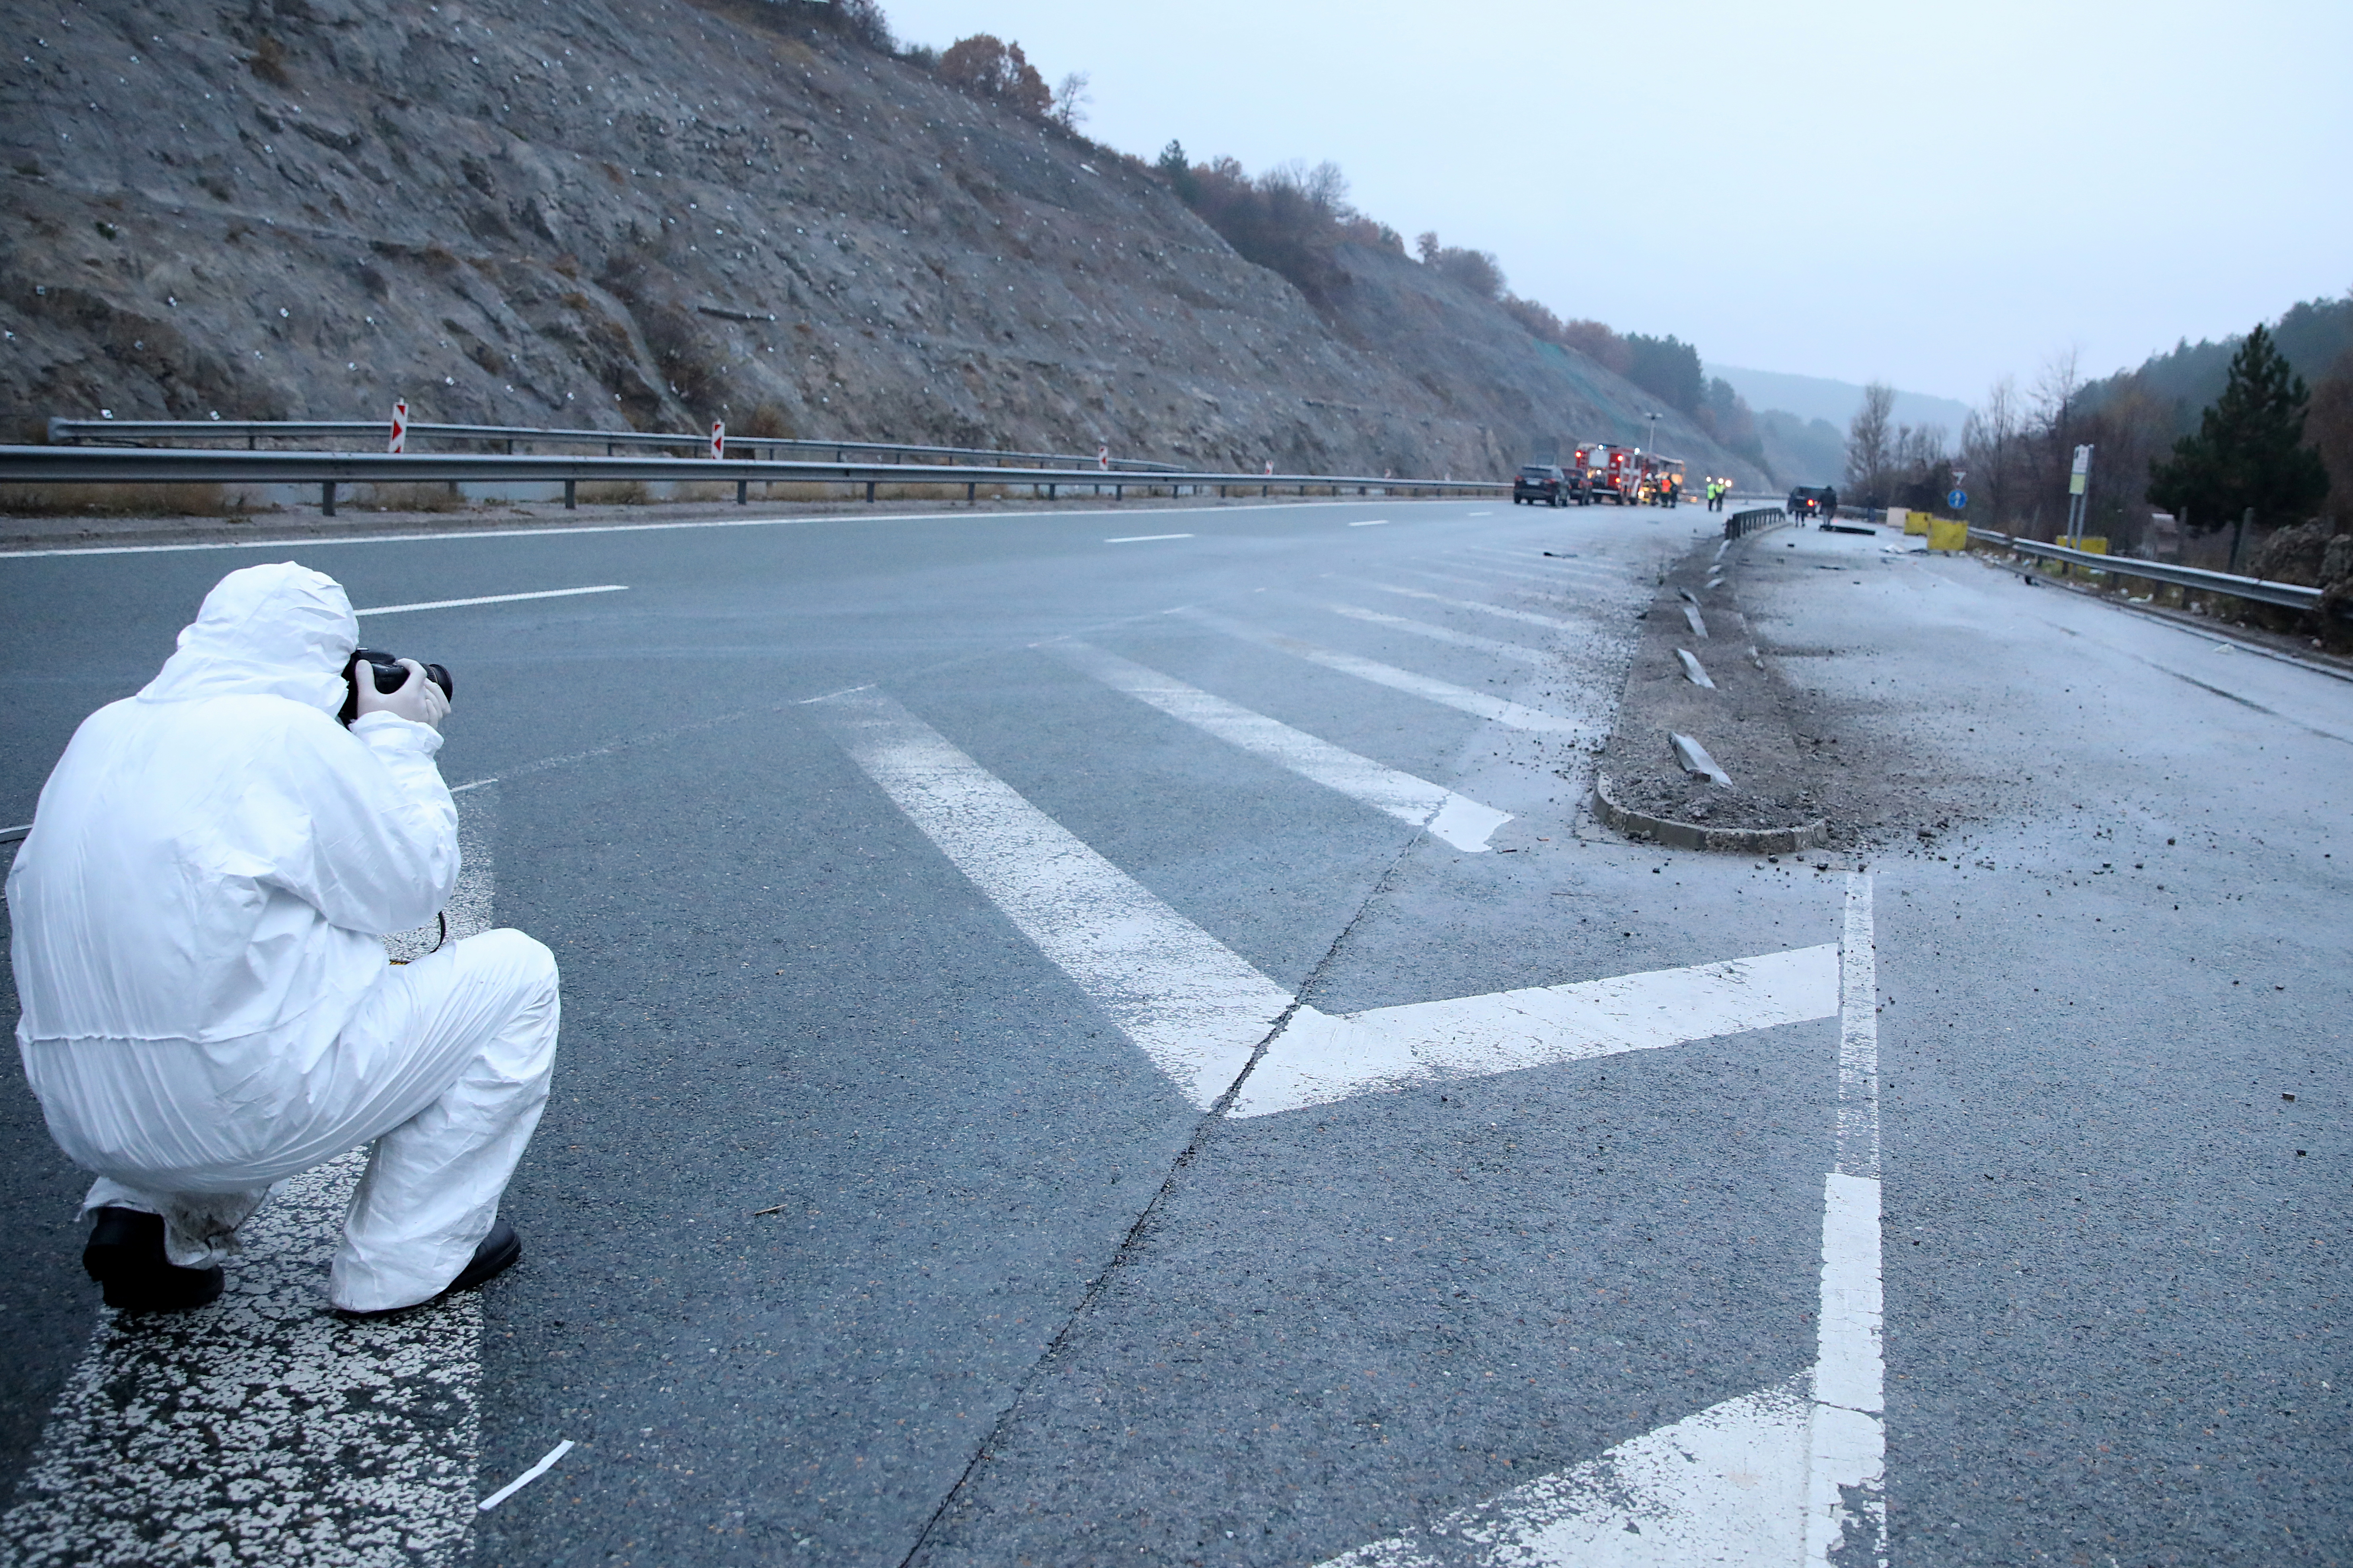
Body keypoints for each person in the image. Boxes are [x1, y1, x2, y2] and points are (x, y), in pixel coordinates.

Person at [8, 562, 559, 1316]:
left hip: (86, 1119)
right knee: (521, 974)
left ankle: (148, 1216)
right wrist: (397, 739)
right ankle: (402, 1261)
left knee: (212, 973)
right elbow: (414, 885)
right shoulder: (287, 736)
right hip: (236, 1115)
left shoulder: (101, 732)